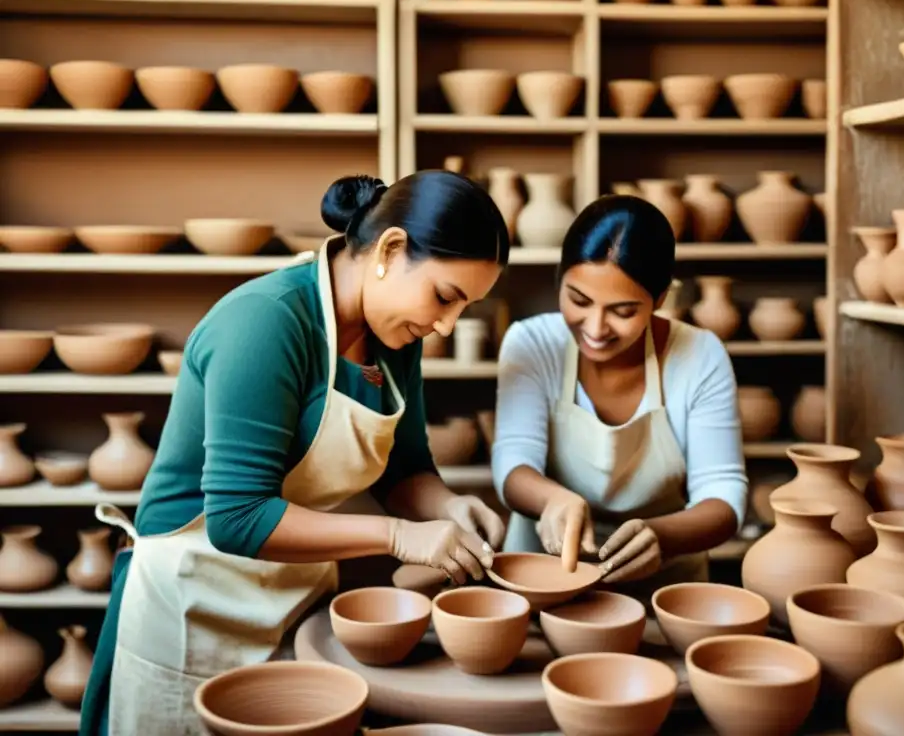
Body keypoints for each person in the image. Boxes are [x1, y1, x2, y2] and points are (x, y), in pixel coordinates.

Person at [80, 171, 510, 736]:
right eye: (445, 297)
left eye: (465, 308)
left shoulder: (395, 335)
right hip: (192, 600)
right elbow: (236, 518)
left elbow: (405, 470)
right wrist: (400, 536)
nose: (447, 325)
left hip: (292, 593)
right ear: (391, 248)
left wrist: (448, 507)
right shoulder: (267, 321)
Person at [491, 194, 747, 593]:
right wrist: (554, 501)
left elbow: (724, 494)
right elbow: (513, 462)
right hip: (543, 580)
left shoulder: (700, 355)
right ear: (560, 278)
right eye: (579, 300)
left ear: (659, 300)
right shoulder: (532, 342)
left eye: (623, 311)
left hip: (663, 588)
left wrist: (662, 536)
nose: (595, 327)